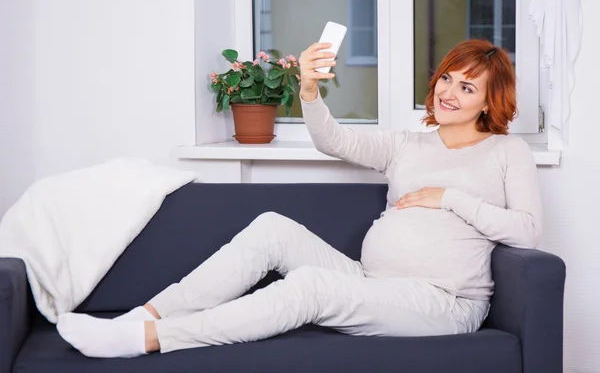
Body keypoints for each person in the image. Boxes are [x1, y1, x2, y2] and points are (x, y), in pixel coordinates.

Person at [56, 39, 542, 358]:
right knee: (272, 227)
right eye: (447, 78)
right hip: (372, 281)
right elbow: (335, 142)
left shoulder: (506, 151)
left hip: (444, 303)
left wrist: (450, 198)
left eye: (467, 85)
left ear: (490, 100)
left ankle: (148, 340)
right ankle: (148, 314)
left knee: (311, 286)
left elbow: (527, 230)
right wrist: (309, 88)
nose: (448, 92)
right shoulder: (407, 144)